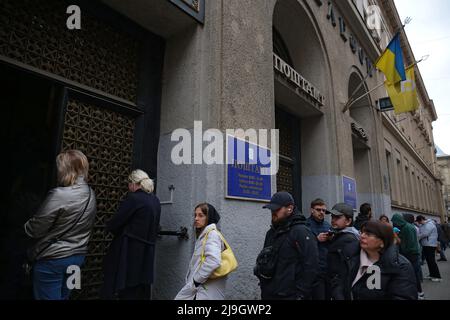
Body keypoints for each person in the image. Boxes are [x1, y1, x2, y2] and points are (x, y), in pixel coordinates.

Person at [24, 150, 97, 300]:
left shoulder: (59, 194)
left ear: (64, 169)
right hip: (77, 260)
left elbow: (35, 230)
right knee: (66, 297)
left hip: (53, 261)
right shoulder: (91, 194)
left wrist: (25, 225)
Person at [102, 169, 161, 300]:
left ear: (134, 183)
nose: (128, 187)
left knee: (123, 286)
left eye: (128, 184)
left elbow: (116, 222)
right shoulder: (155, 201)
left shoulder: (134, 198)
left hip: (128, 250)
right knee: (139, 287)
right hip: (147, 251)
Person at [254, 192, 318, 300]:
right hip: (269, 294)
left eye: (277, 209)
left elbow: (311, 265)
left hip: (290, 295)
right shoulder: (271, 232)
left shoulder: (301, 232)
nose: (273, 212)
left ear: (290, 208)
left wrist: (301, 294)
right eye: (272, 210)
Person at [350, 221, 418, 300]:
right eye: (361, 232)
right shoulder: (351, 256)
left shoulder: (401, 266)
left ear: (382, 242)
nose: (362, 236)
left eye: (368, 234)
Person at [175, 203, 227, 300]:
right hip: (201, 289)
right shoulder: (205, 235)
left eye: (200, 215)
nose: (196, 218)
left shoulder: (212, 235)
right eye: (195, 215)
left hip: (204, 290)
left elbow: (213, 260)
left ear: (209, 217)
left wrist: (196, 280)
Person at [326, 203, 360, 300]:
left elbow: (347, 271)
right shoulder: (340, 235)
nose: (333, 220)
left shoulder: (348, 240)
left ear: (348, 221)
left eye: (337, 217)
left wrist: (338, 294)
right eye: (332, 217)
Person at [391, 214, 424, 299]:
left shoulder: (405, 228)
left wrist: (396, 237)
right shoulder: (409, 226)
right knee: (415, 274)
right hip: (414, 253)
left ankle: (418, 293)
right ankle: (419, 292)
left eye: (394, 222)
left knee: (411, 275)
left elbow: (404, 243)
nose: (394, 224)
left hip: (410, 254)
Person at [306, 198, 331, 300]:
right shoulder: (305, 225)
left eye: (323, 210)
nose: (321, 212)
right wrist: (316, 239)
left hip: (328, 270)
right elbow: (303, 246)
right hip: (314, 271)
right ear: (312, 210)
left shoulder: (327, 225)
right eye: (318, 209)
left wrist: (331, 239)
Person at [416, 215, 441, 282]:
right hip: (426, 244)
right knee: (429, 261)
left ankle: (437, 276)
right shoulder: (424, 225)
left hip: (430, 245)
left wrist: (418, 237)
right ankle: (432, 274)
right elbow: (421, 232)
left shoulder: (429, 224)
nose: (419, 223)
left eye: (419, 222)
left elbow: (425, 233)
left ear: (421, 219)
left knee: (432, 261)